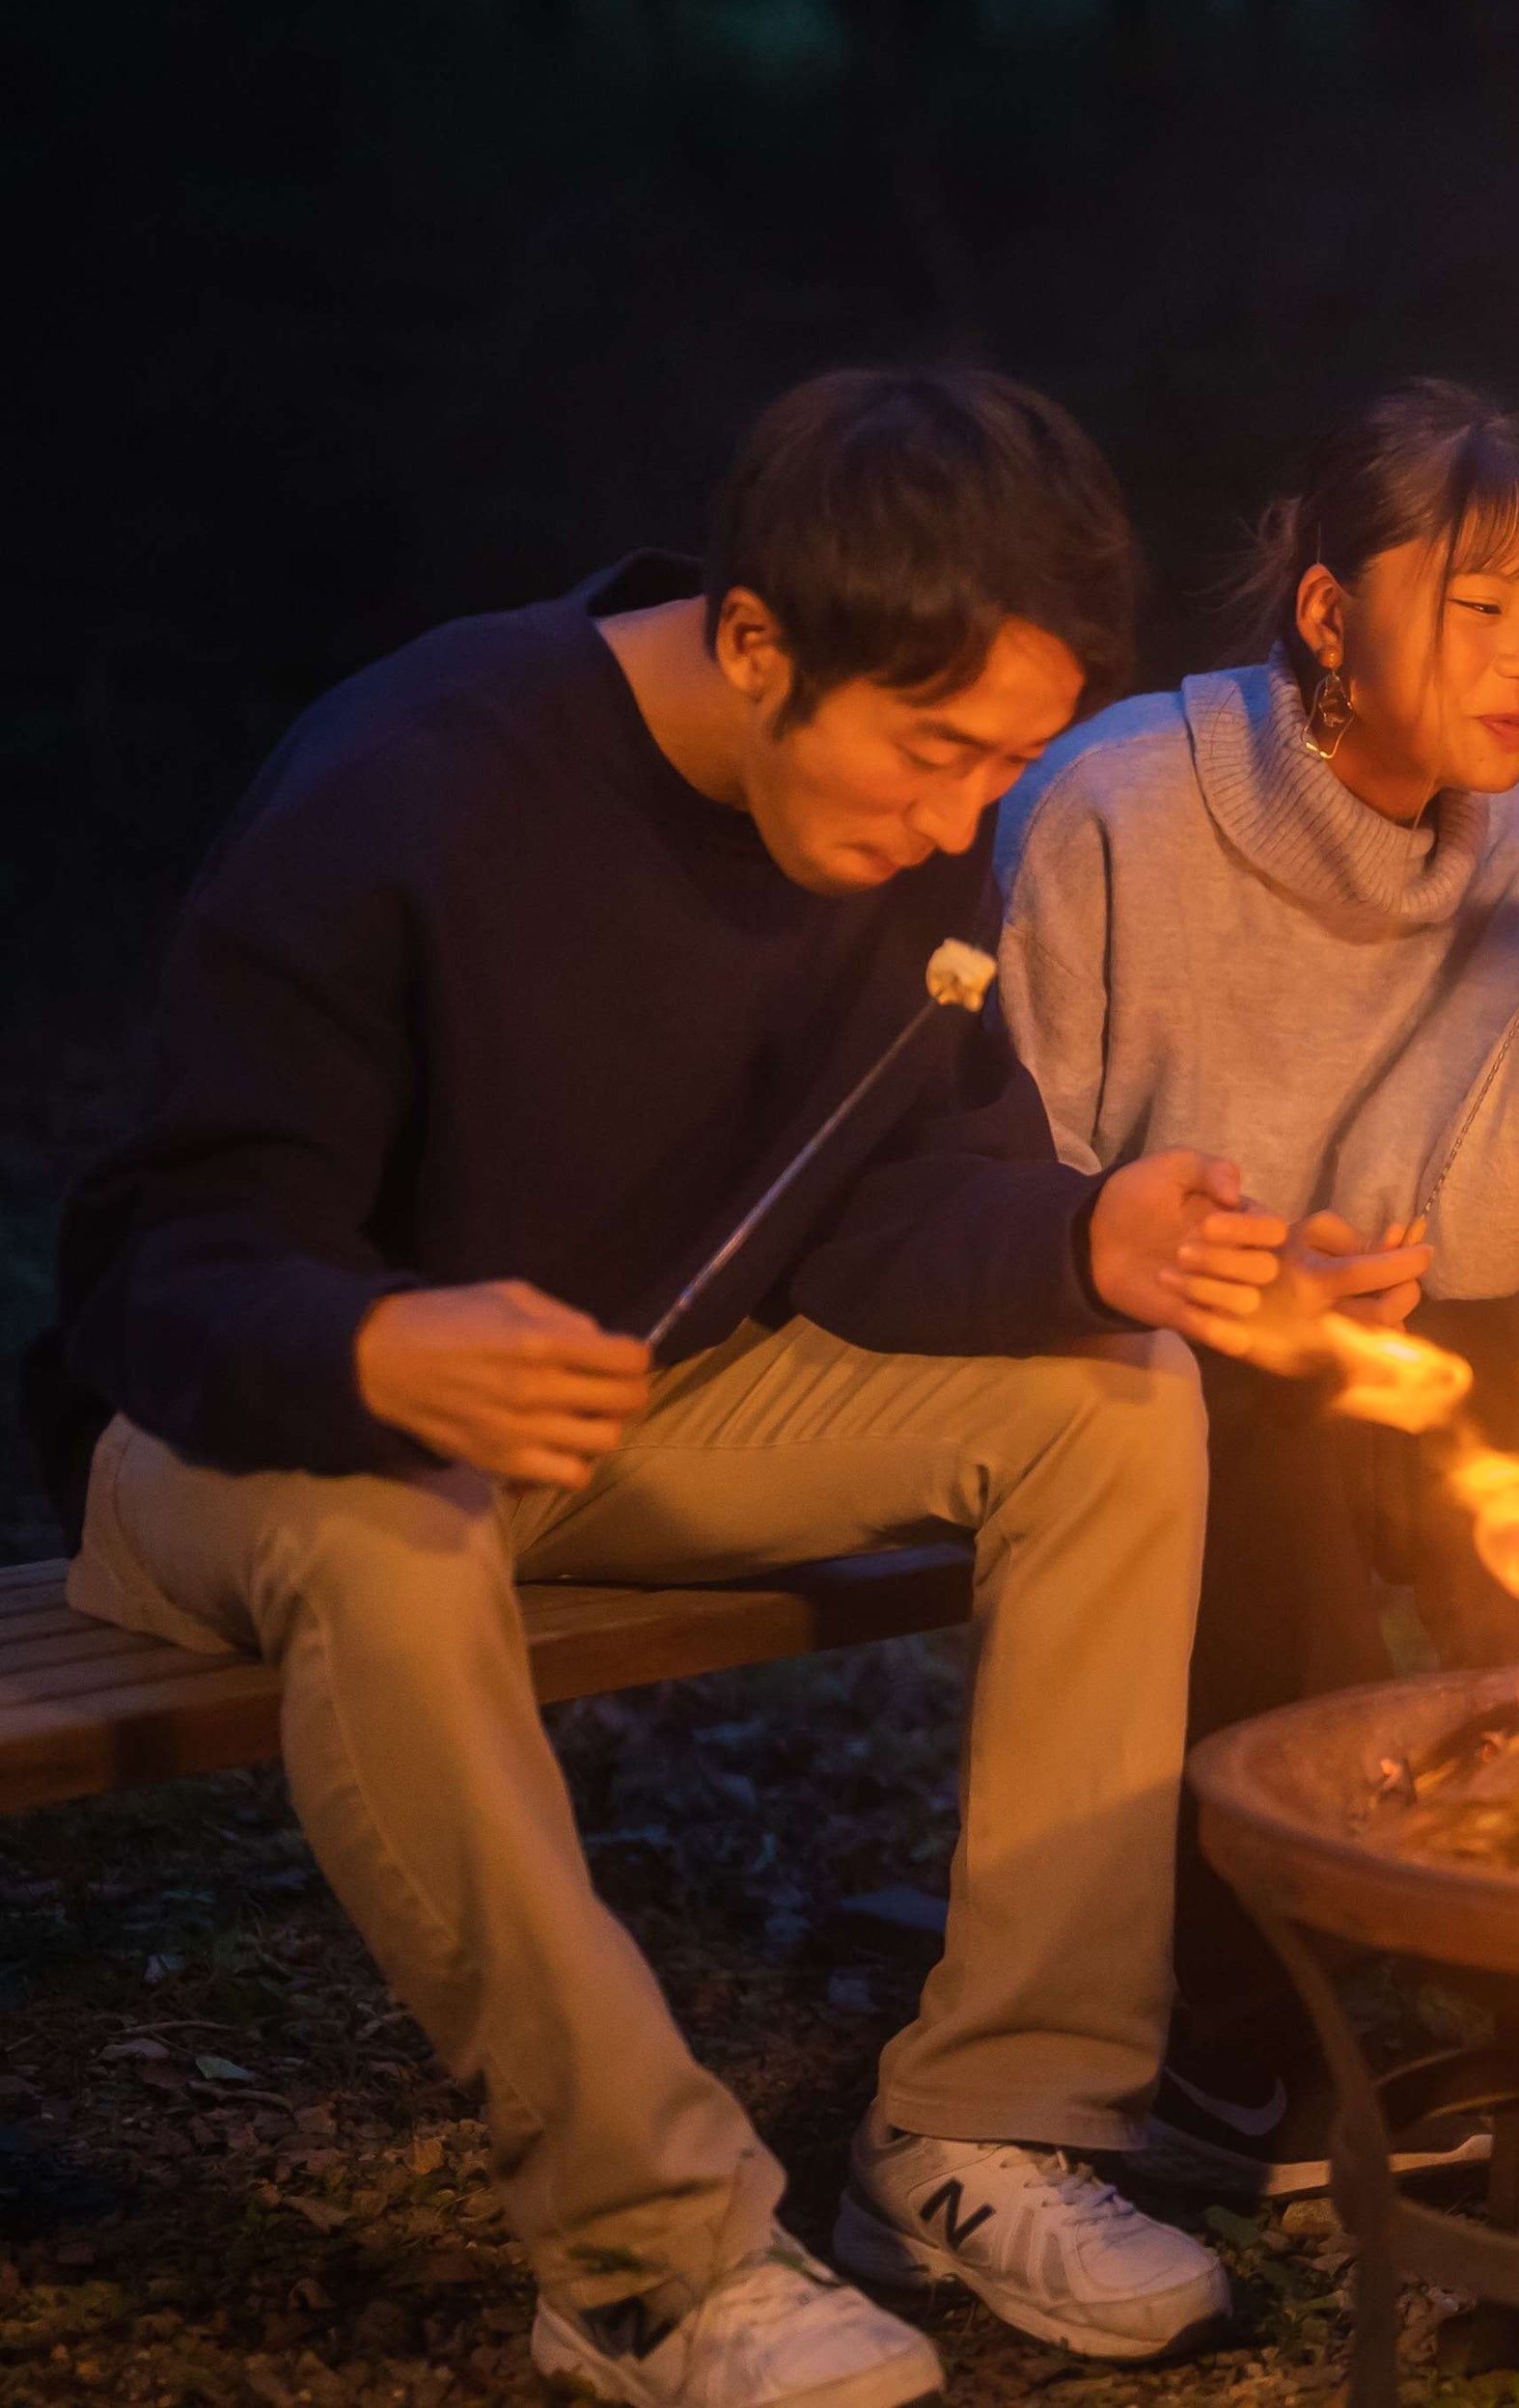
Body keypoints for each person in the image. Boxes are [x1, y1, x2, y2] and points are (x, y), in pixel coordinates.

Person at [30, 369, 1412, 2407]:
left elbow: (890, 1186)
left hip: (619, 1416)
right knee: (391, 1537)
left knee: (1118, 1397)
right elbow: (169, 1269)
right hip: (256, 1436)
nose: (961, 828)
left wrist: (1081, 1238)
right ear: (757, 641)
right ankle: (646, 2261)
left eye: (1003, 770)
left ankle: (990, 2120)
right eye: (937, 757)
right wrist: (374, 1343)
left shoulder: (901, 834)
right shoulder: (413, 785)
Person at [997, 379, 1519, 2227]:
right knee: (1252, 1422)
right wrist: (1223, 1284)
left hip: (1392, 1337)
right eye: (1477, 606)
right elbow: (1006, 1175)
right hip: (1119, 1350)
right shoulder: (1117, 806)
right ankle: (1247, 2030)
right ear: (1330, 613)